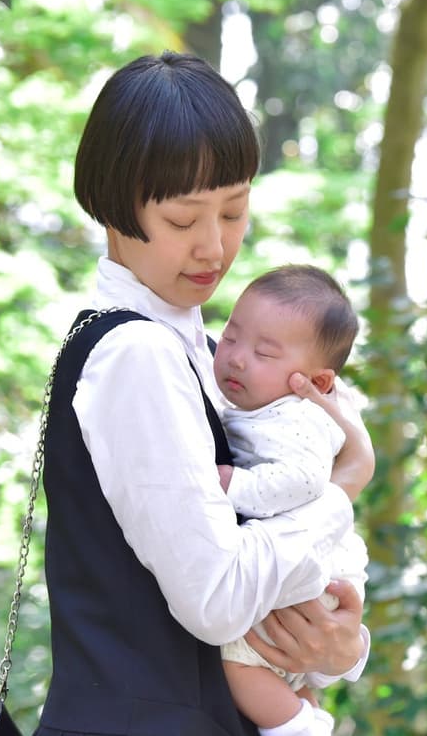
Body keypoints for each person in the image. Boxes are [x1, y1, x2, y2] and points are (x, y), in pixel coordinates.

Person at [36, 51, 369, 736]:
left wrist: (342, 646)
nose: (214, 247)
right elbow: (217, 599)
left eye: (235, 212)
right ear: (113, 202)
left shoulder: (212, 355)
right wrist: (344, 487)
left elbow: (268, 598)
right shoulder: (137, 353)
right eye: (185, 221)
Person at [212, 264, 374, 736]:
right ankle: (305, 712)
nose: (237, 359)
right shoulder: (257, 404)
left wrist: (233, 485)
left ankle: (299, 728)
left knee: (238, 659)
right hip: (303, 566)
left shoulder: (294, 419)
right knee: (286, 669)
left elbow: (301, 481)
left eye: (264, 352)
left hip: (315, 569)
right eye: (231, 337)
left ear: (317, 384)